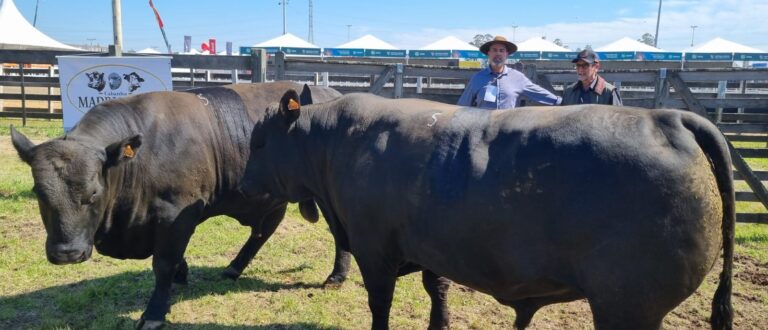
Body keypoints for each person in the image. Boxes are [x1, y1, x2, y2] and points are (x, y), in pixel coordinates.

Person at [457, 35, 562, 110]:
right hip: (482, 132)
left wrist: (558, 101)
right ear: (489, 53)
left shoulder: (517, 77)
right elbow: (462, 106)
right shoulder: (477, 78)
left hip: (507, 133)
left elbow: (538, 92)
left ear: (507, 54)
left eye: (501, 50)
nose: (498, 53)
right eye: (494, 50)